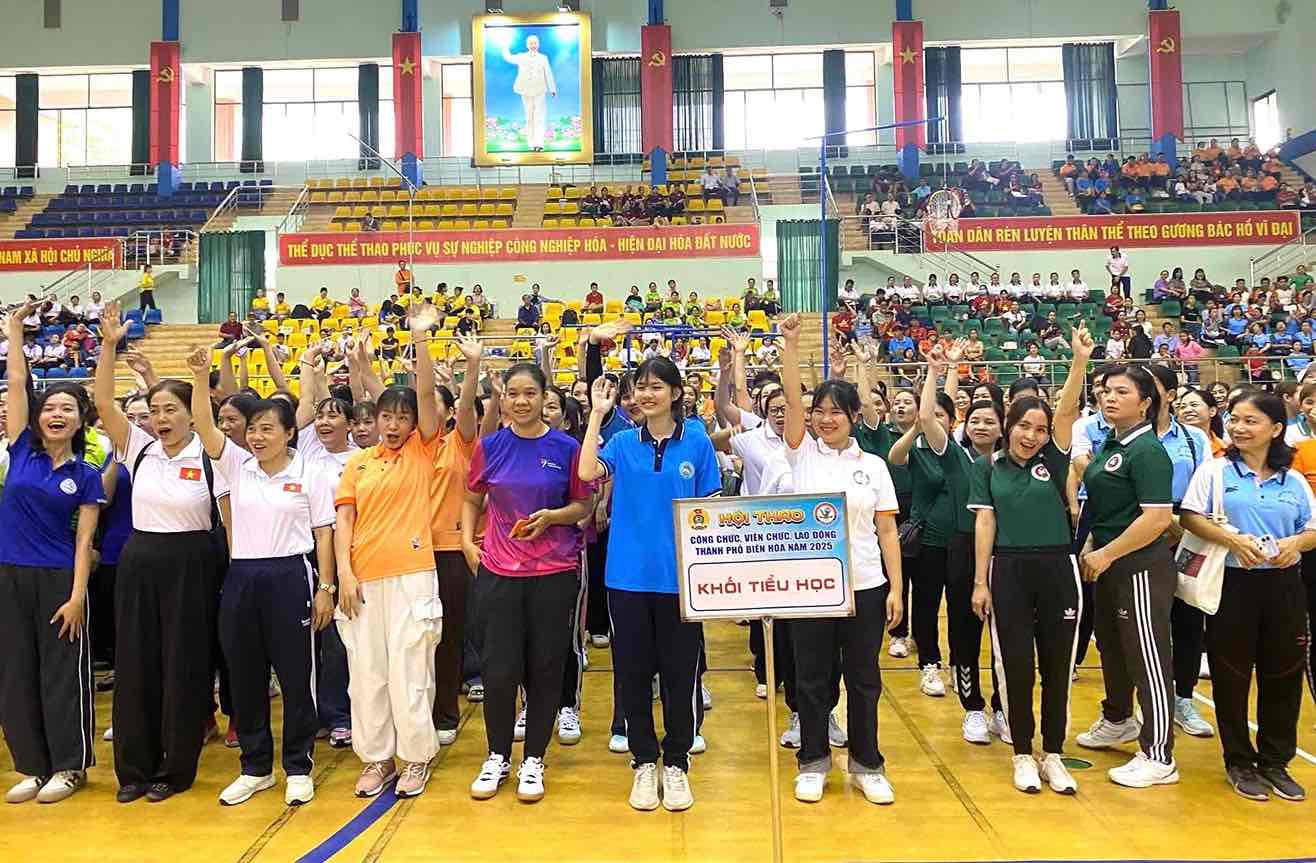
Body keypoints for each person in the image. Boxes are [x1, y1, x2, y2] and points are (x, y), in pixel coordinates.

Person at [183, 348, 337, 807]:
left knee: (296, 677)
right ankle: (255, 768)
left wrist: (325, 588)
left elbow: (324, 534)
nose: (257, 436)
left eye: (268, 428)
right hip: (242, 577)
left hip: (291, 575)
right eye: (253, 428)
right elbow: (205, 426)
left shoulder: (310, 473)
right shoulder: (236, 465)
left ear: (290, 433)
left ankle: (298, 766)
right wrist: (199, 376)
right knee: (246, 676)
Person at [93, 303, 225, 803]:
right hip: (140, 561)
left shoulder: (210, 454)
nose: (162, 418)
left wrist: (199, 375)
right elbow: (103, 401)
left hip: (191, 563)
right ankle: (134, 770)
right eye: (156, 410)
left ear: (192, 413)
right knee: (136, 664)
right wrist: (109, 346)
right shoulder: (140, 448)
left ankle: (175, 769)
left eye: (172, 409)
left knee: (182, 665)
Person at [578, 356, 720, 812]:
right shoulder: (622, 442)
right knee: (633, 672)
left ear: (675, 393)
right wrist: (596, 415)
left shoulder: (697, 442)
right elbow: (585, 473)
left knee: (680, 675)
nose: (647, 394)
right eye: (640, 386)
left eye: (657, 386)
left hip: (681, 580)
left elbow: (711, 507)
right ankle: (643, 760)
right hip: (627, 577)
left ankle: (676, 761)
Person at [777, 313, 904, 805]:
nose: (825, 419)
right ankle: (813, 762)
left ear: (853, 416)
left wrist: (896, 589)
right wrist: (790, 345)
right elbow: (792, 398)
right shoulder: (802, 454)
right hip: (811, 587)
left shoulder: (873, 466)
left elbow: (887, 530)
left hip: (866, 585)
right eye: (819, 411)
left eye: (836, 412)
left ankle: (867, 764)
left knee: (864, 679)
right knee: (811, 679)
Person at [463, 362, 592, 803]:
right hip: (499, 572)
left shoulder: (566, 448)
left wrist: (552, 517)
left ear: (543, 397)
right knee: (499, 670)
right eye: (513, 394)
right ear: (503, 399)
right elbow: (471, 497)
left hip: (553, 572)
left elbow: (583, 506)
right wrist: (466, 541)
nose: (521, 401)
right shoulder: (490, 447)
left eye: (530, 393)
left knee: (545, 667)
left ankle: (534, 758)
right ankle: (498, 755)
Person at [969, 324, 1090, 793]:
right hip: (1008, 570)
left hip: (1058, 568)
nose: (1032, 436)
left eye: (1040, 429)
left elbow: (1067, 409)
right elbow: (985, 523)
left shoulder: (1054, 459)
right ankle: (1022, 752)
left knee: (1057, 667)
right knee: (1015, 665)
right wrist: (980, 582)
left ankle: (1053, 753)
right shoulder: (987, 467)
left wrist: (1079, 360)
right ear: (1008, 425)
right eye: (1024, 426)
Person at [333, 302, 445, 799]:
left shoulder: (422, 450)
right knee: (367, 674)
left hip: (412, 576)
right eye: (387, 417)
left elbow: (426, 394)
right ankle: (377, 758)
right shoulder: (358, 463)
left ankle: (416, 758)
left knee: (410, 671)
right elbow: (344, 520)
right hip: (362, 581)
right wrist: (344, 574)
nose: (395, 425)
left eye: (403, 417)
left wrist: (420, 339)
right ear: (375, 420)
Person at [1182, 390, 1316, 802]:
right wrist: (1232, 540)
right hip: (1232, 583)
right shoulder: (1215, 472)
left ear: (1275, 429)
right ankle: (1239, 761)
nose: (1239, 428)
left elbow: (1312, 528)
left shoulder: (1293, 480)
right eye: (1234, 420)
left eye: (1250, 421)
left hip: (1283, 585)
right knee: (1232, 674)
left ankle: (1276, 761)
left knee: (1284, 672)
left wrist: (1296, 543)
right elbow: (1190, 516)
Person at [0, 302, 103, 805]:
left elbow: (84, 542)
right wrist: (15, 330)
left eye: (67, 409)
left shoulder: (86, 475)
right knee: (15, 672)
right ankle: (32, 766)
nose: (56, 415)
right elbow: (18, 382)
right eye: (50, 408)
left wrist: (77, 596)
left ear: (81, 420)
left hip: (58, 579)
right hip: (10, 576)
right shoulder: (21, 448)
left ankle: (69, 765)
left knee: (62, 675)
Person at [1074, 364, 1178, 788]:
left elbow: (1157, 519)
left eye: (1121, 392)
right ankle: (1118, 719)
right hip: (1108, 563)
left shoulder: (1148, 451)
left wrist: (1107, 553)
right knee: (1113, 648)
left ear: (1146, 403)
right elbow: (1107, 507)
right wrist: (1093, 545)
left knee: (1147, 656)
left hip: (1139, 566)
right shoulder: (1112, 443)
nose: (1109, 397)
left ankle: (1159, 754)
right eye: (1106, 391)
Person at [502, 34, 557, 151]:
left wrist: (552, 88)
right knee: (529, 117)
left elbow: (548, 72)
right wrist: (504, 46)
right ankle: (531, 143)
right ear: (527, 45)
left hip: (540, 90)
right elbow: (509, 57)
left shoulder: (543, 58)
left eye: (535, 43)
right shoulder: (521, 57)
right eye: (531, 43)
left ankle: (539, 143)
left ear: (538, 44)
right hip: (525, 90)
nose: (533, 45)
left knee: (539, 117)